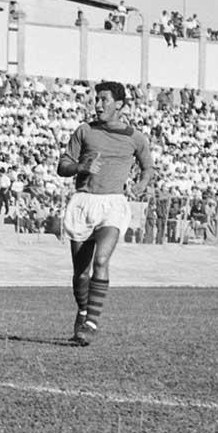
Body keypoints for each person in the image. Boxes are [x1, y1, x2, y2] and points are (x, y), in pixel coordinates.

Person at [55, 80, 153, 346]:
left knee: (101, 262)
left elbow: (147, 168)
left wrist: (141, 186)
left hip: (113, 204)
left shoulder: (135, 137)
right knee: (80, 273)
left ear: (119, 105)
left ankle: (90, 324)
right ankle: (84, 311)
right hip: (84, 202)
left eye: (104, 100)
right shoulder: (84, 131)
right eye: (96, 99)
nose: (97, 105)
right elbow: (62, 165)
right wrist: (81, 167)